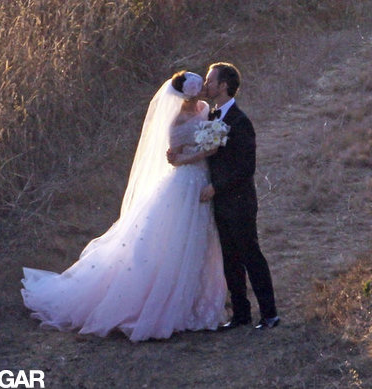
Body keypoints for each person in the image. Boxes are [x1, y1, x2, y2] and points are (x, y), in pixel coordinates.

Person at [21, 71, 227, 342]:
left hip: (202, 180)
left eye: (203, 85)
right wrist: (203, 153)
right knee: (176, 241)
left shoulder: (205, 110)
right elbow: (175, 157)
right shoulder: (177, 120)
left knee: (201, 240)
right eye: (198, 87)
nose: (203, 90)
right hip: (185, 182)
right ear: (188, 93)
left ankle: (201, 299)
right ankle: (168, 304)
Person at [202, 62, 279, 330]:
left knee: (250, 255)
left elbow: (246, 167)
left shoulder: (240, 121)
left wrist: (217, 187)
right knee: (230, 260)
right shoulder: (211, 118)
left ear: (223, 85)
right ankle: (241, 314)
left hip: (240, 202)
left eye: (210, 81)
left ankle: (269, 314)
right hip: (221, 204)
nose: (206, 85)